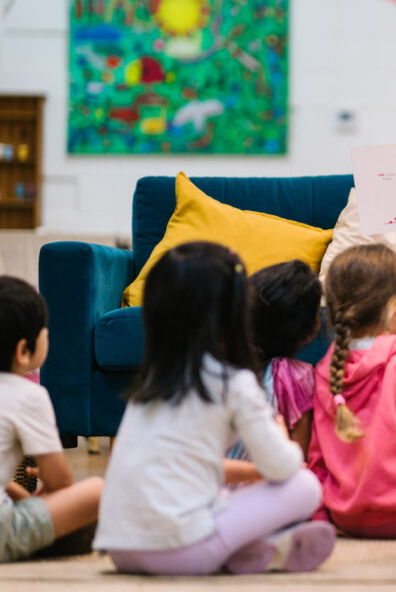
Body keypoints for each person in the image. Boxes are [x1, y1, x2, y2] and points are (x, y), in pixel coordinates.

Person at [93, 242, 335, 575]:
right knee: (306, 487)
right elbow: (283, 467)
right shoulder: (233, 383)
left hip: (119, 547)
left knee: (212, 488)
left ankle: (254, 552)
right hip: (181, 554)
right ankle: (248, 548)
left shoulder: (151, 385)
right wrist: (284, 440)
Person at [306, 244, 396, 538]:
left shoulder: (325, 369)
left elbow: (316, 459)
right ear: (395, 307)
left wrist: (321, 518)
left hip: (345, 516)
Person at [1, 277, 104, 563]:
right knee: (98, 490)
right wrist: (48, 494)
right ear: (23, 351)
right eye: (45, 332)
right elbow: (59, 483)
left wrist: (25, 499)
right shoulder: (29, 395)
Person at [226, 261, 323, 468]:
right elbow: (300, 456)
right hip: (263, 485)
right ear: (309, 328)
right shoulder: (297, 376)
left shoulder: (223, 364)